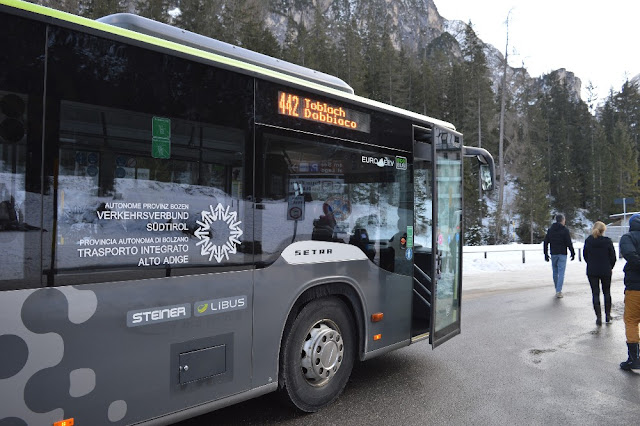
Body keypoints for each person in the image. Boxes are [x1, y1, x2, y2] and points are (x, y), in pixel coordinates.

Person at [617, 213, 640, 370]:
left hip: (635, 287)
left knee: (631, 320)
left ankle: (634, 359)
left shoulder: (628, 238)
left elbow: (630, 255)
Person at [583, 221, 616, 325]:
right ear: (603, 230)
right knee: (607, 292)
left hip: (592, 270)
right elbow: (613, 257)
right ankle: (608, 315)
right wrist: (610, 266)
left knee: (595, 293)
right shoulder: (607, 241)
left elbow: (585, 255)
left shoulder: (588, 240)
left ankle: (598, 317)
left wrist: (591, 263)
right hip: (605, 270)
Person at [543, 214, 575, 298]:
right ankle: (558, 291)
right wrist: (572, 252)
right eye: (564, 220)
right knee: (561, 273)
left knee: (555, 272)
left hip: (553, 253)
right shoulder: (565, 230)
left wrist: (545, 254)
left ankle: (557, 288)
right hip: (562, 254)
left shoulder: (550, 230)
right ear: (562, 220)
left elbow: (546, 242)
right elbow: (568, 242)